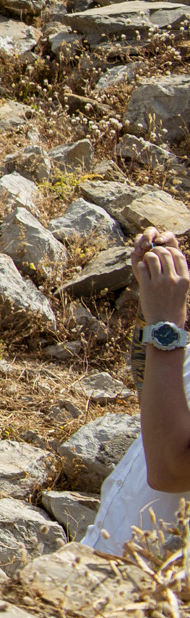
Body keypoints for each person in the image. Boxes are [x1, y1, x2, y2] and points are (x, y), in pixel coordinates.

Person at [82, 228, 190, 559]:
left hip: (151, 583)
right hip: (105, 558)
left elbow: (170, 471)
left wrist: (166, 323)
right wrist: (155, 300)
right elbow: (153, 399)